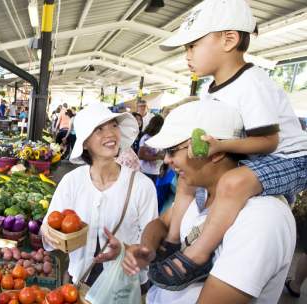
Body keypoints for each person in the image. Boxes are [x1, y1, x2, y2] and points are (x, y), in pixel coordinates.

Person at [152, 0, 307, 290]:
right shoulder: (210, 91)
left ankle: (197, 256)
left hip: (290, 158)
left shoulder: (252, 82)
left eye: (192, 45)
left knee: (233, 183)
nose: (187, 55)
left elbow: (269, 141)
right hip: (259, 156)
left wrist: (220, 145)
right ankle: (174, 240)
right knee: (188, 181)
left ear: (229, 39)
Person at [117, 101, 296, 303]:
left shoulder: (261, 218)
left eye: (173, 150)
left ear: (216, 152)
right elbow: (162, 224)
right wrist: (147, 248)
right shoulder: (200, 192)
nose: (166, 160)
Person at [40, 103, 158, 288]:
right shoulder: (72, 181)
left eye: (113, 125)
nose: (110, 134)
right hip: (80, 283)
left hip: (124, 289)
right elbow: (49, 229)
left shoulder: (142, 186)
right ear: (85, 142)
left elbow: (150, 250)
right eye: (99, 129)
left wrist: (125, 251)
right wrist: (48, 233)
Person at [138, 115, 165, 183]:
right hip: (145, 171)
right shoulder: (146, 138)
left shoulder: (160, 137)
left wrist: (162, 168)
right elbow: (140, 155)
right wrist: (158, 157)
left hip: (156, 171)